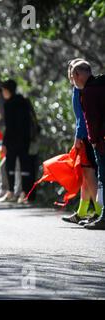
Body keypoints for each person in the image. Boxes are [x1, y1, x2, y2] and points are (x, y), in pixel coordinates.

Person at [62, 59, 101, 224]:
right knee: (86, 175)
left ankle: (99, 211)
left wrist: (78, 137)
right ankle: (82, 211)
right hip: (87, 135)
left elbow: (82, 117)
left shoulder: (80, 90)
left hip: (86, 136)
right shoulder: (83, 87)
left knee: (89, 173)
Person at [71, 60, 105, 230]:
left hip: (100, 141)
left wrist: (93, 140)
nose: (72, 81)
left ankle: (102, 215)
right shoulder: (100, 85)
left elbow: (91, 119)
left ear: (78, 75)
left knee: (102, 178)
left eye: (72, 76)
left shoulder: (89, 91)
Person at [0, 79, 33, 204]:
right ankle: (24, 194)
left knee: (10, 167)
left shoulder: (8, 104)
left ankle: (11, 192)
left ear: (7, 90)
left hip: (13, 140)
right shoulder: (24, 101)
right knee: (25, 167)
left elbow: (9, 126)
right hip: (25, 139)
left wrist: (4, 143)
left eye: (3, 90)